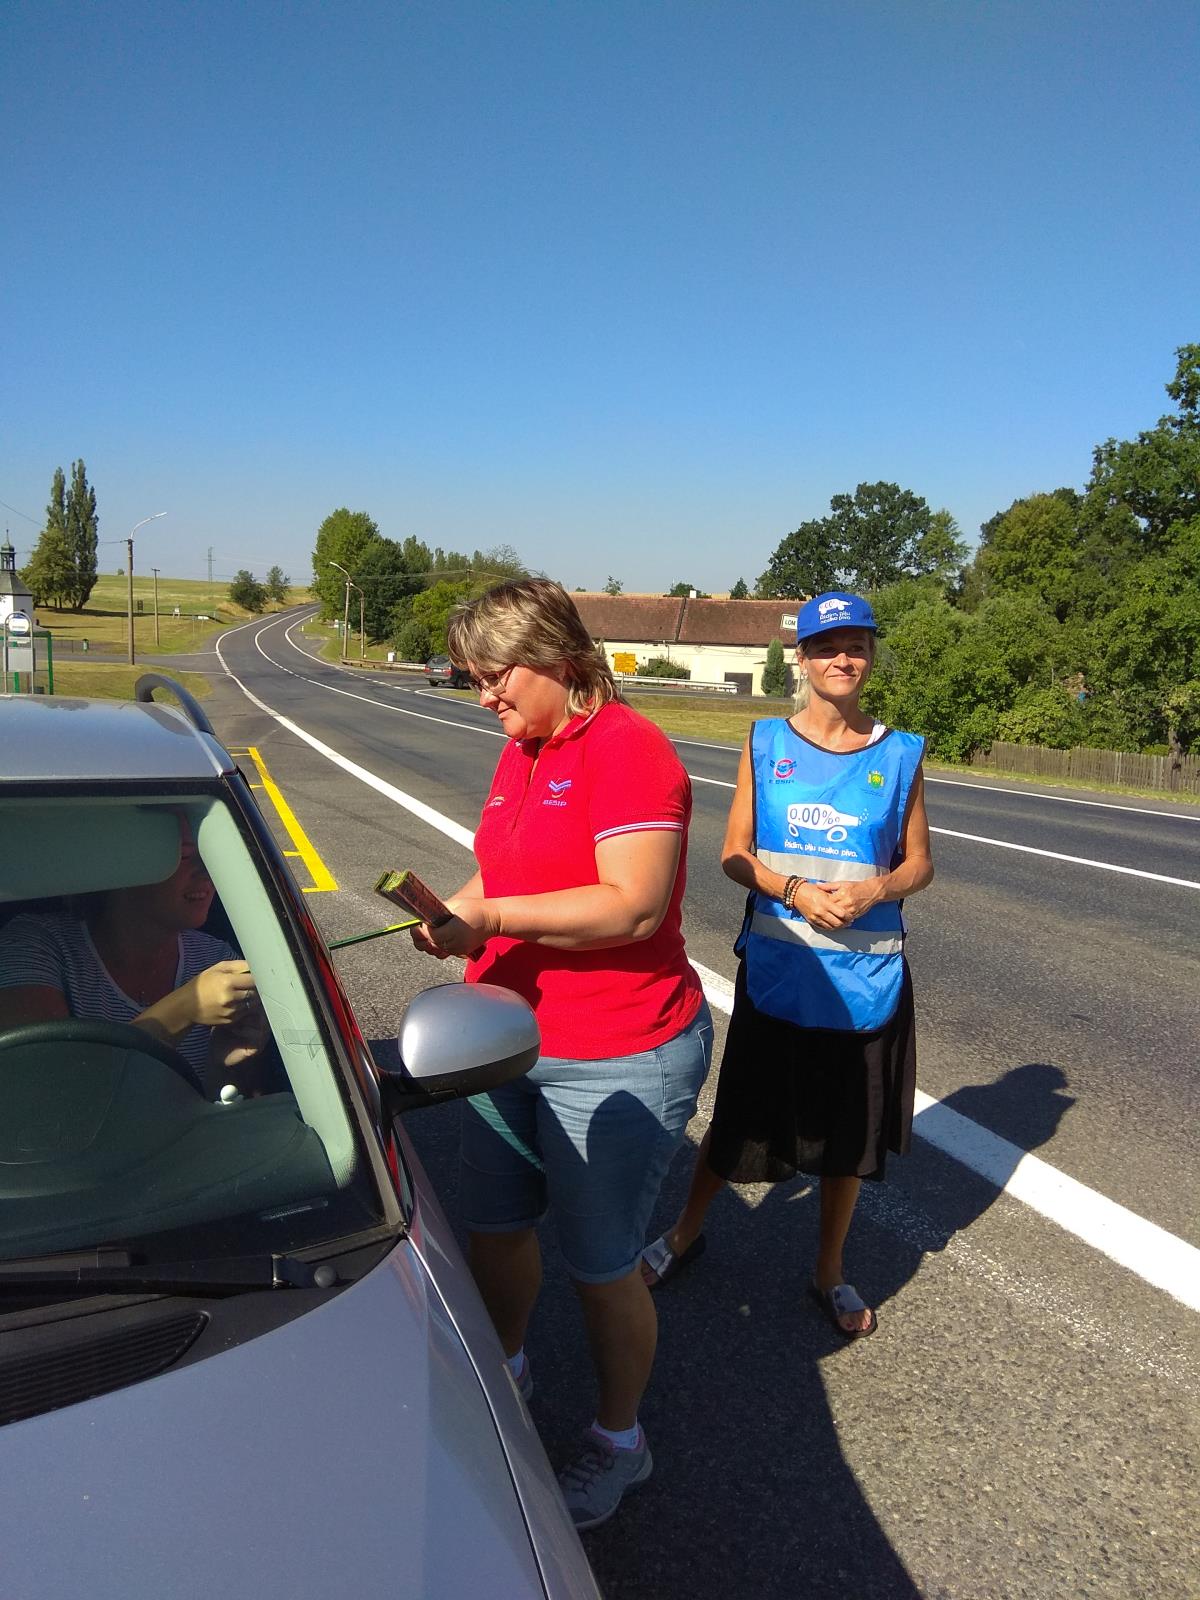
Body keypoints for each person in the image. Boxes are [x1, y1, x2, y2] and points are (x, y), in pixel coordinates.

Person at [409, 578, 713, 1530]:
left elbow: (631, 903)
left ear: (560, 661)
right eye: (474, 679)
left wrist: (490, 917)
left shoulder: (629, 752)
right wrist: (453, 908)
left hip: (617, 1050)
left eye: (496, 677)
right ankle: (507, 1367)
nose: (484, 696)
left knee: (598, 1260)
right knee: (496, 1224)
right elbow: (502, 866)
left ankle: (621, 1442)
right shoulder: (524, 749)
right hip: (506, 1033)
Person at [641, 590, 933, 1339]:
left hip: (867, 981)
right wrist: (796, 890)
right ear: (802, 659)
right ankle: (683, 1234)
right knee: (739, 1116)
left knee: (850, 1139)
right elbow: (734, 853)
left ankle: (828, 1272)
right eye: (828, 646)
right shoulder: (765, 741)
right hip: (781, 971)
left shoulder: (901, 752)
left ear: (871, 655)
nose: (845, 658)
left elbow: (920, 866)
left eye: (858, 644)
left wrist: (879, 886)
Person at [0, 815, 264, 1093]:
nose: (207, 871)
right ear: (120, 864)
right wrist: (185, 1008)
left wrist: (222, 1067)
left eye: (209, 855)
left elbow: (236, 1115)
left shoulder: (220, 960)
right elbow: (46, 1091)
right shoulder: (34, 945)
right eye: (184, 856)